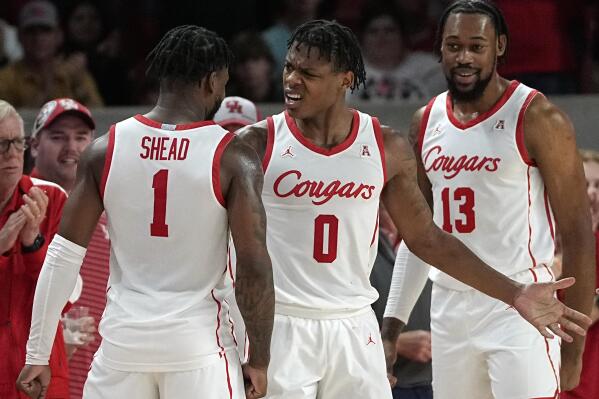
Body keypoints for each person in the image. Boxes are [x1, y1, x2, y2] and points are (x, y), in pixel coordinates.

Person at [235, 19, 591, 399]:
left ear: (345, 79)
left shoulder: (384, 145)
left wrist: (515, 293)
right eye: (289, 67)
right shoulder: (255, 144)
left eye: (308, 72)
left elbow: (427, 239)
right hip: (285, 324)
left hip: (356, 327)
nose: (291, 80)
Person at [16, 25, 275, 399]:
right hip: (197, 350)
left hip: (122, 349)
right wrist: (260, 358)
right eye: (223, 83)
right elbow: (253, 267)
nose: (222, 92)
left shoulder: (106, 149)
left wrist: (38, 352)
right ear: (210, 80)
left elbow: (61, 257)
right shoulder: (232, 156)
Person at [381, 2, 596, 398]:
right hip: (450, 307)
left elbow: (580, 234)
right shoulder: (425, 121)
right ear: (439, 49)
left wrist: (574, 350)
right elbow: (420, 235)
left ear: (499, 47)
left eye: (476, 46)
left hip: (523, 307)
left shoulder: (537, 117)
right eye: (454, 46)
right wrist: (392, 325)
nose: (464, 57)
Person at [29, 98, 108, 399]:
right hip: (32, 377)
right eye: (58, 137)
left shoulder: (108, 208)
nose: (71, 147)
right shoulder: (18, 203)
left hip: (98, 379)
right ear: (34, 145)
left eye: (81, 137)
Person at [0, 100, 70, 399]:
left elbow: (66, 297)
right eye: (2, 144)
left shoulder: (51, 198)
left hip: (40, 376)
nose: (14, 153)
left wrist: (33, 245)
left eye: (18, 142)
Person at [0, 0, 103, 108]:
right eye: (31, 31)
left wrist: (79, 86)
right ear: (19, 36)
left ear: (59, 35)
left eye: (46, 30)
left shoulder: (74, 72)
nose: (38, 38)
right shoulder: (6, 78)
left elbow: (101, 116)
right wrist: (49, 85)